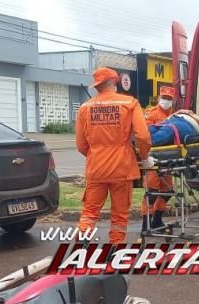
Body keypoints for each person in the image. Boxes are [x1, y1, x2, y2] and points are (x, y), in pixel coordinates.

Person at [75, 67, 151, 244]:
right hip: (122, 169)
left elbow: (80, 145)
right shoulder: (129, 103)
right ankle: (114, 252)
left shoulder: (85, 108)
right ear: (114, 82)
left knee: (89, 213)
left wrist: (96, 155)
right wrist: (144, 157)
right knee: (119, 217)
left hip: (96, 170)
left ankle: (81, 246)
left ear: (97, 86)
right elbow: (143, 136)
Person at [141, 86, 177, 231]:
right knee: (151, 192)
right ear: (158, 98)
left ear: (173, 100)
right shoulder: (150, 113)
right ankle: (146, 224)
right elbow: (145, 135)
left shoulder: (174, 116)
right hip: (153, 158)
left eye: (169, 98)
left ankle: (157, 220)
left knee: (167, 191)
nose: (166, 101)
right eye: (164, 98)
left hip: (168, 157)